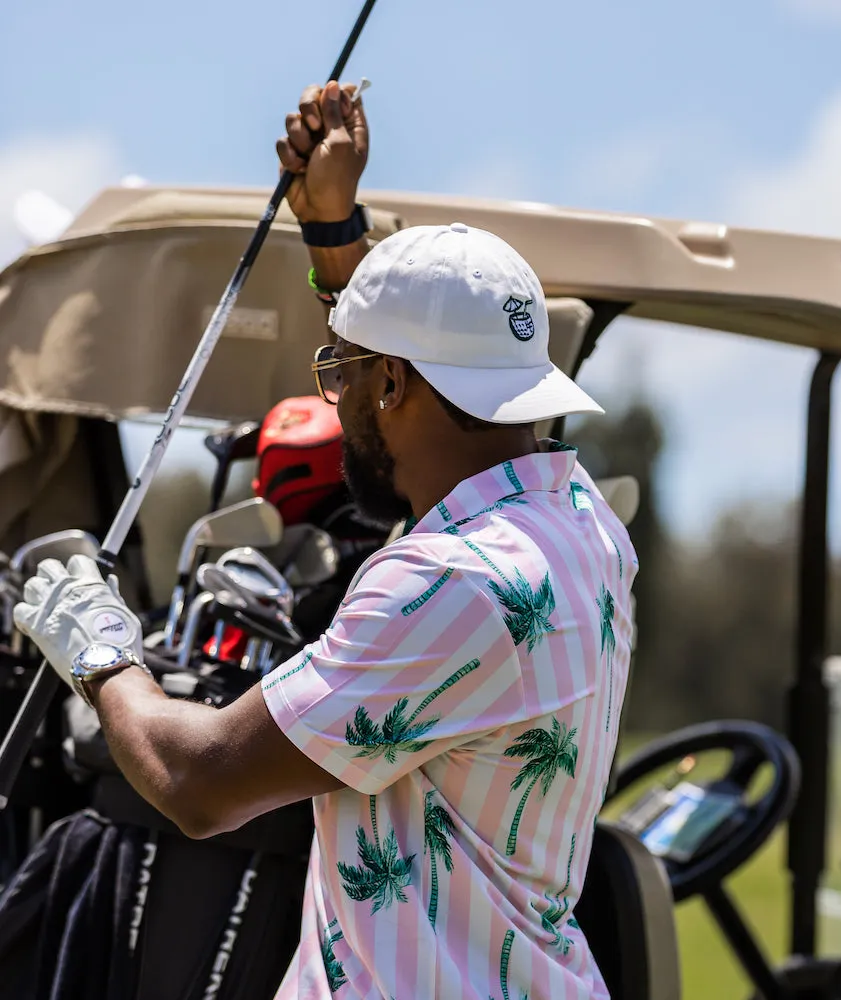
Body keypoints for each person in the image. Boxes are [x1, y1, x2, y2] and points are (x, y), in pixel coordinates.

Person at [14, 79, 638, 1000]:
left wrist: (103, 653)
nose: (327, 400)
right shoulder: (578, 523)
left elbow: (199, 781)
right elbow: (419, 392)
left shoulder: (447, 582)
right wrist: (335, 231)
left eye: (337, 372)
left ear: (390, 382)